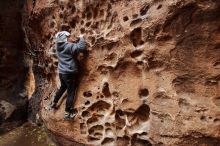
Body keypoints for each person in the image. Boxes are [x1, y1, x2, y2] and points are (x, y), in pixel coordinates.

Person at [51, 31, 87, 120]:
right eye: (68, 36)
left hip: (62, 72)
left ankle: (54, 103)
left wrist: (75, 41)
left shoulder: (58, 46)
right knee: (71, 92)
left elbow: (71, 46)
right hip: (69, 72)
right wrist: (82, 38)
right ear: (65, 39)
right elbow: (81, 48)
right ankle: (67, 114)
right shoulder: (69, 46)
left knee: (63, 87)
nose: (70, 37)